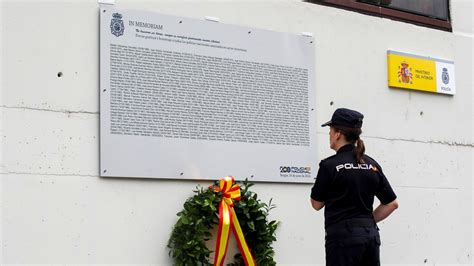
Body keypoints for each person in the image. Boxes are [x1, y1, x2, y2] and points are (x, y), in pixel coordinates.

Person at [310, 108, 399, 266]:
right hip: (370, 237)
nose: (329, 134)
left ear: (338, 134)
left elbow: (316, 204)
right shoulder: (372, 164)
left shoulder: (329, 165)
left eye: (330, 130)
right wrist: (366, 222)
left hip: (342, 240)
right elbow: (392, 203)